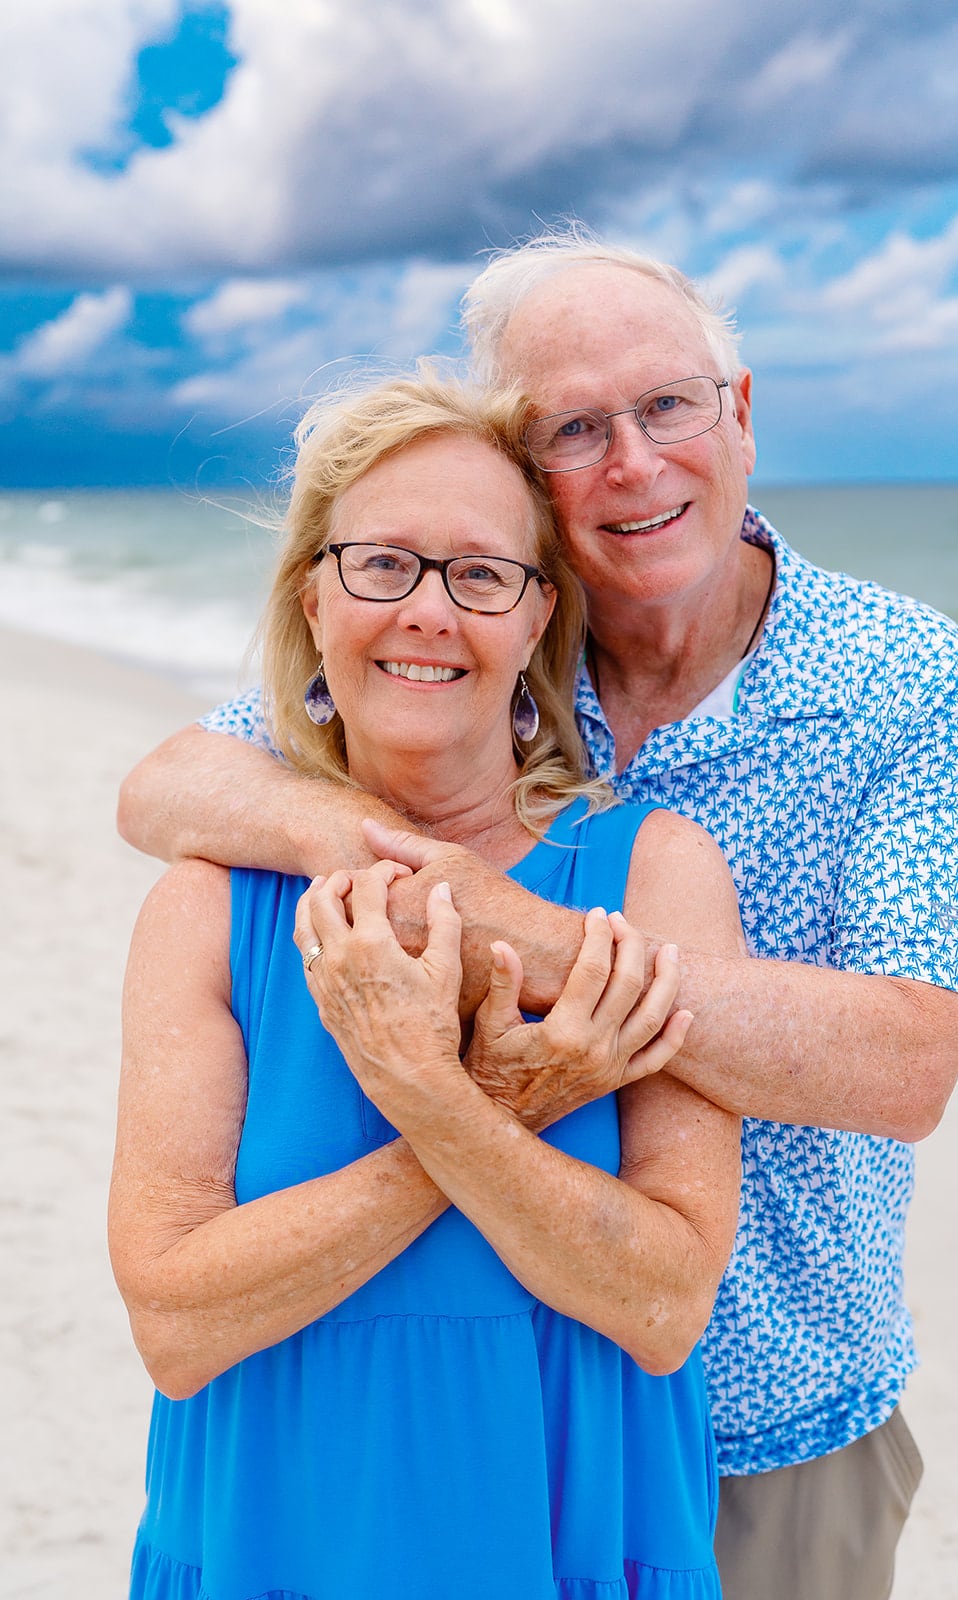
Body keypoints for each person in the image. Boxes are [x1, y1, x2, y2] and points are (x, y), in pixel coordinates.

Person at [118, 230, 958, 1600]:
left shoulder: (900, 679)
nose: (632, 463)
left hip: (773, 1414)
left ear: (741, 412)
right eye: (574, 429)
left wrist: (475, 914)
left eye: (664, 406)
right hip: (409, 1418)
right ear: (531, 487)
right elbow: (174, 781)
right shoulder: (479, 617)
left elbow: (905, 1065)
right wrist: (380, 868)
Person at [109, 370, 745, 1600]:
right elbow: (177, 1326)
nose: (428, 613)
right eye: (383, 564)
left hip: (569, 1530)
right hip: (275, 1534)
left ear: (534, 618)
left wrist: (432, 1094)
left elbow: (663, 1304)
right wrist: (485, 1102)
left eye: (478, 574)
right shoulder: (206, 903)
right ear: (314, 591)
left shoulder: (649, 875)